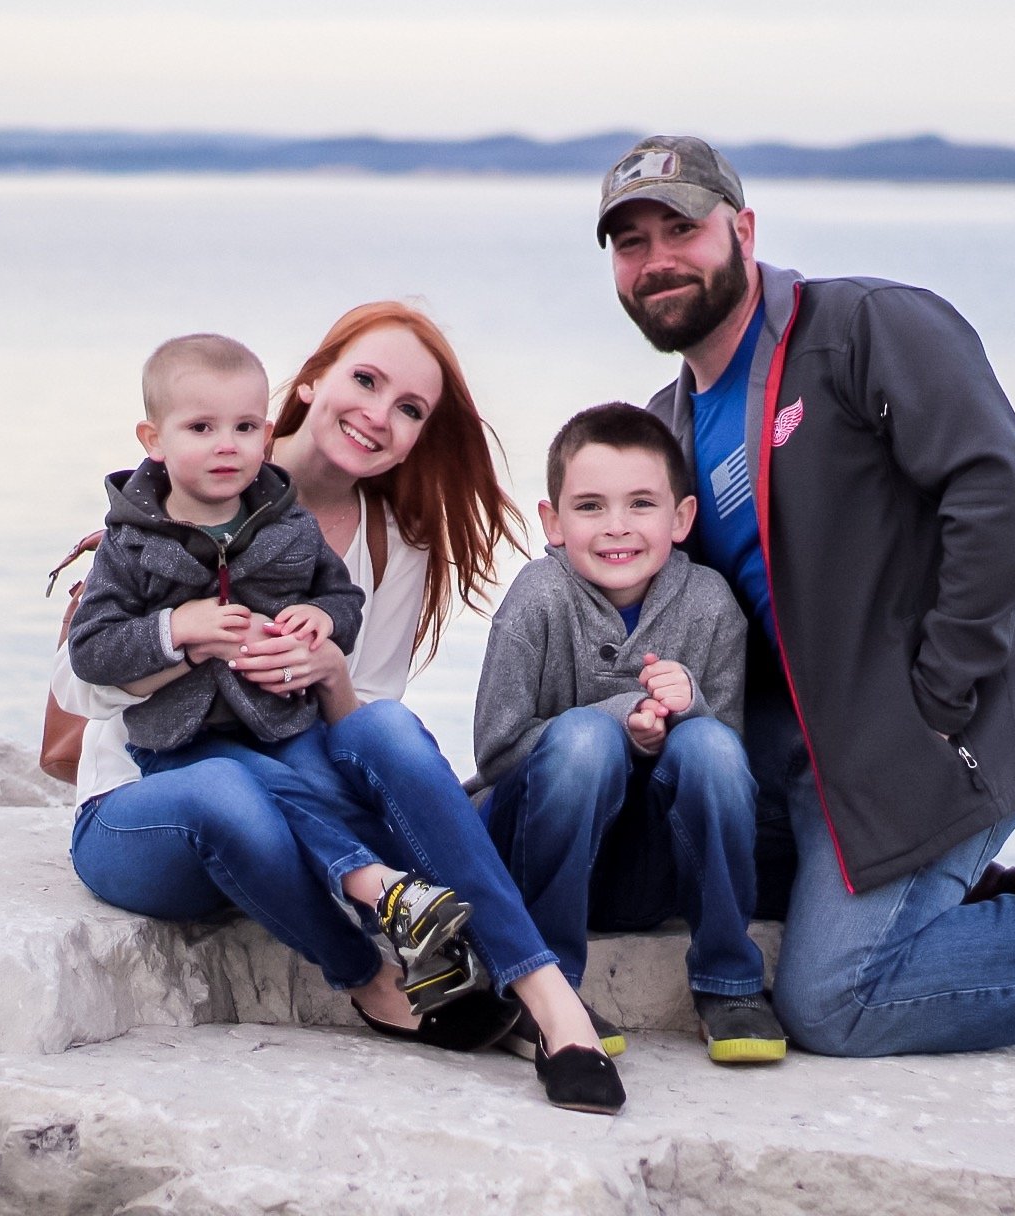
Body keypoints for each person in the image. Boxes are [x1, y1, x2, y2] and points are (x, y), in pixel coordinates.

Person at [594, 134, 1015, 1059]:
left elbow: (1006, 502)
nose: (658, 260)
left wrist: (941, 691)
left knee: (833, 1001)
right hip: (810, 764)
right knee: (653, 866)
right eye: (631, 243)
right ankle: (957, 902)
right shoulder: (664, 430)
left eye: (682, 228)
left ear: (742, 229)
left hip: (937, 730)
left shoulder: (866, 328)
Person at [54, 306, 625, 1114]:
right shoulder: (168, 503)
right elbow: (78, 685)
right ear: (313, 379)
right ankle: (373, 976)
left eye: (409, 409)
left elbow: (364, 729)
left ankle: (548, 1000)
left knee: (385, 727)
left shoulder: (391, 543)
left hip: (290, 791)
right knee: (225, 789)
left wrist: (327, 671)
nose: (377, 415)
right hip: (156, 802)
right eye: (365, 380)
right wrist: (185, 638)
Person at [65, 331, 475, 1014]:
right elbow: (84, 669)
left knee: (338, 768)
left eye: (243, 427)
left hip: (278, 767)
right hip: (150, 787)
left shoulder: (311, 531)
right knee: (225, 785)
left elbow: (347, 627)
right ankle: (368, 963)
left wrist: (323, 648)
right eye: (202, 428)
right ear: (153, 438)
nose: (226, 445)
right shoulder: (138, 533)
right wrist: (183, 635)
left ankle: (457, 945)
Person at [473, 403, 787, 1065]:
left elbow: (725, 767)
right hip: (537, 851)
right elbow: (496, 752)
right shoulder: (537, 598)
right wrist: (616, 722)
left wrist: (688, 710)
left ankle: (728, 980)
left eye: (641, 504)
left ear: (681, 519)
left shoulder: (709, 605)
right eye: (590, 507)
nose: (617, 527)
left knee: (710, 746)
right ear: (553, 523)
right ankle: (547, 980)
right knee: (586, 740)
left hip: (647, 875)